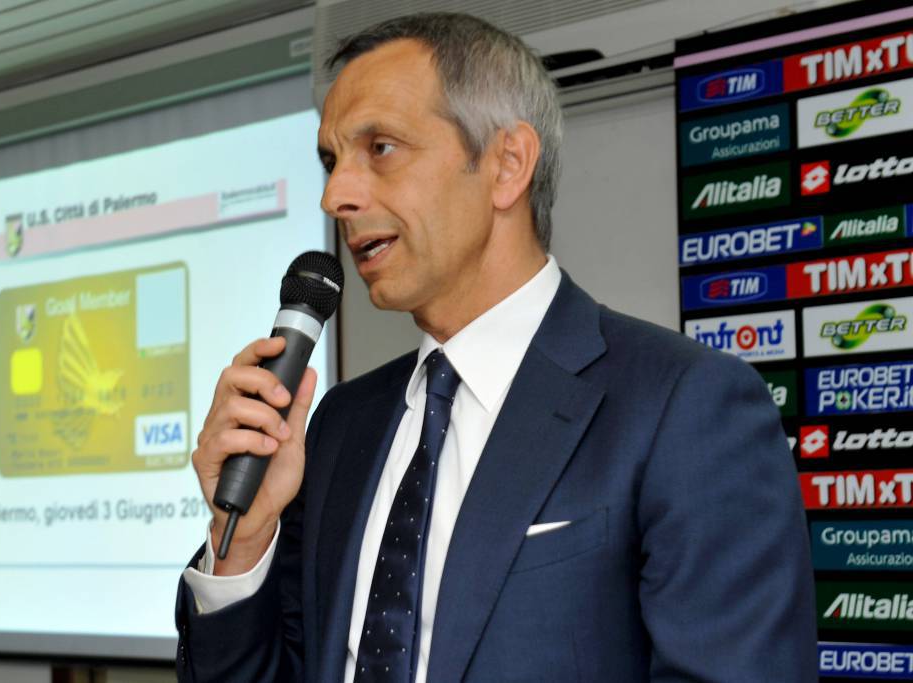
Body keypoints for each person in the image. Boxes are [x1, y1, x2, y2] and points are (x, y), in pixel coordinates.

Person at [175, 12, 817, 683]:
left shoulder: (684, 407)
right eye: (332, 162)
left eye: (381, 148)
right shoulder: (340, 424)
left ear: (508, 165)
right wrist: (243, 540)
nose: (337, 195)